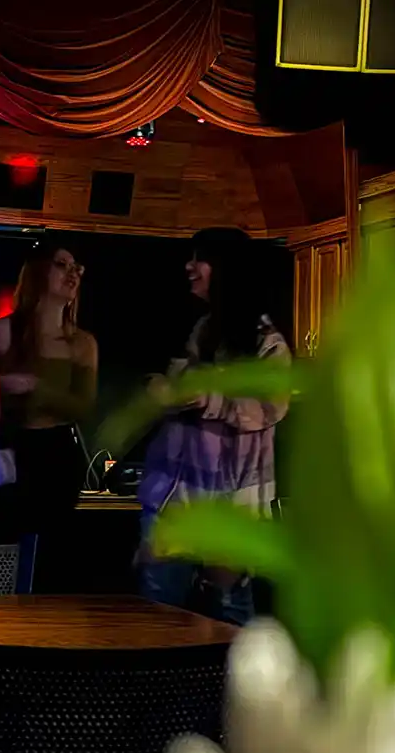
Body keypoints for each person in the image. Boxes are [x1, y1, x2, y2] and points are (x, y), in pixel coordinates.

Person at [137, 227, 290, 624]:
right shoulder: (202, 330)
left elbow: (271, 406)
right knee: (157, 618)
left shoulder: (266, 342)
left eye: (199, 258)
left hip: (230, 511)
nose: (189, 266)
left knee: (228, 622)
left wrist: (205, 398)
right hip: (177, 504)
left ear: (225, 269)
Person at [0, 242, 98, 589]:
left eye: (77, 267)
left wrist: (36, 387)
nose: (73, 273)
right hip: (12, 447)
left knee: (51, 561)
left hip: (57, 454)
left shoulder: (82, 344)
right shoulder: (1, 332)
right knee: (3, 554)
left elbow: (83, 407)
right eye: (62, 264)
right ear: (39, 273)